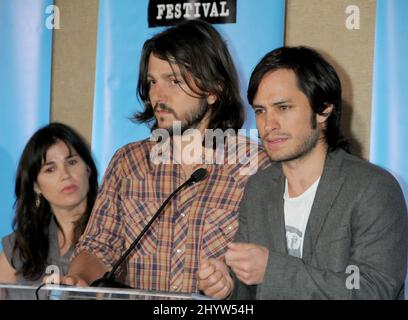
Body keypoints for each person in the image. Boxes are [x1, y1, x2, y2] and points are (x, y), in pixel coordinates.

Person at [64, 20, 269, 293]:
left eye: (173, 80)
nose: (157, 95)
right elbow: (99, 247)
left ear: (213, 90)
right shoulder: (129, 162)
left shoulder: (256, 165)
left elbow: (271, 261)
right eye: (152, 82)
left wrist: (228, 279)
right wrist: (79, 279)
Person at [197, 46, 408, 299]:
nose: (268, 125)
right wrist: (228, 285)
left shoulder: (372, 188)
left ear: (323, 110)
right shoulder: (259, 188)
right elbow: (251, 288)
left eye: (283, 108)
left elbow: (373, 290)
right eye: (261, 111)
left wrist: (272, 270)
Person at [0, 122, 98, 299]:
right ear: (36, 186)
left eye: (72, 162)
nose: (65, 174)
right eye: (50, 169)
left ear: (88, 169)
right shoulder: (19, 245)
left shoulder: (112, 240)